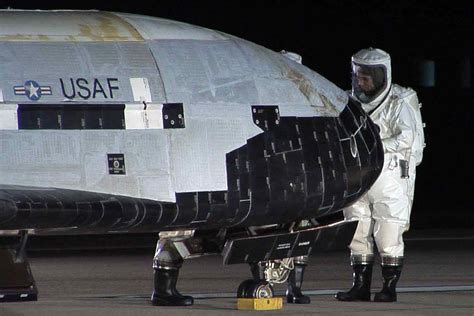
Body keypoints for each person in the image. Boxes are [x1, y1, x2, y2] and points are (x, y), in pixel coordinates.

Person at [335, 47, 425, 302]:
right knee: (357, 230)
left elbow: (407, 137)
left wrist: (372, 146)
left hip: (391, 176)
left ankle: (388, 288)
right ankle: (360, 287)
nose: (361, 82)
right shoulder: (348, 101)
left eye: (367, 78)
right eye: (358, 76)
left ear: (381, 76)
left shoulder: (399, 101)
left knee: (388, 232)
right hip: (357, 175)